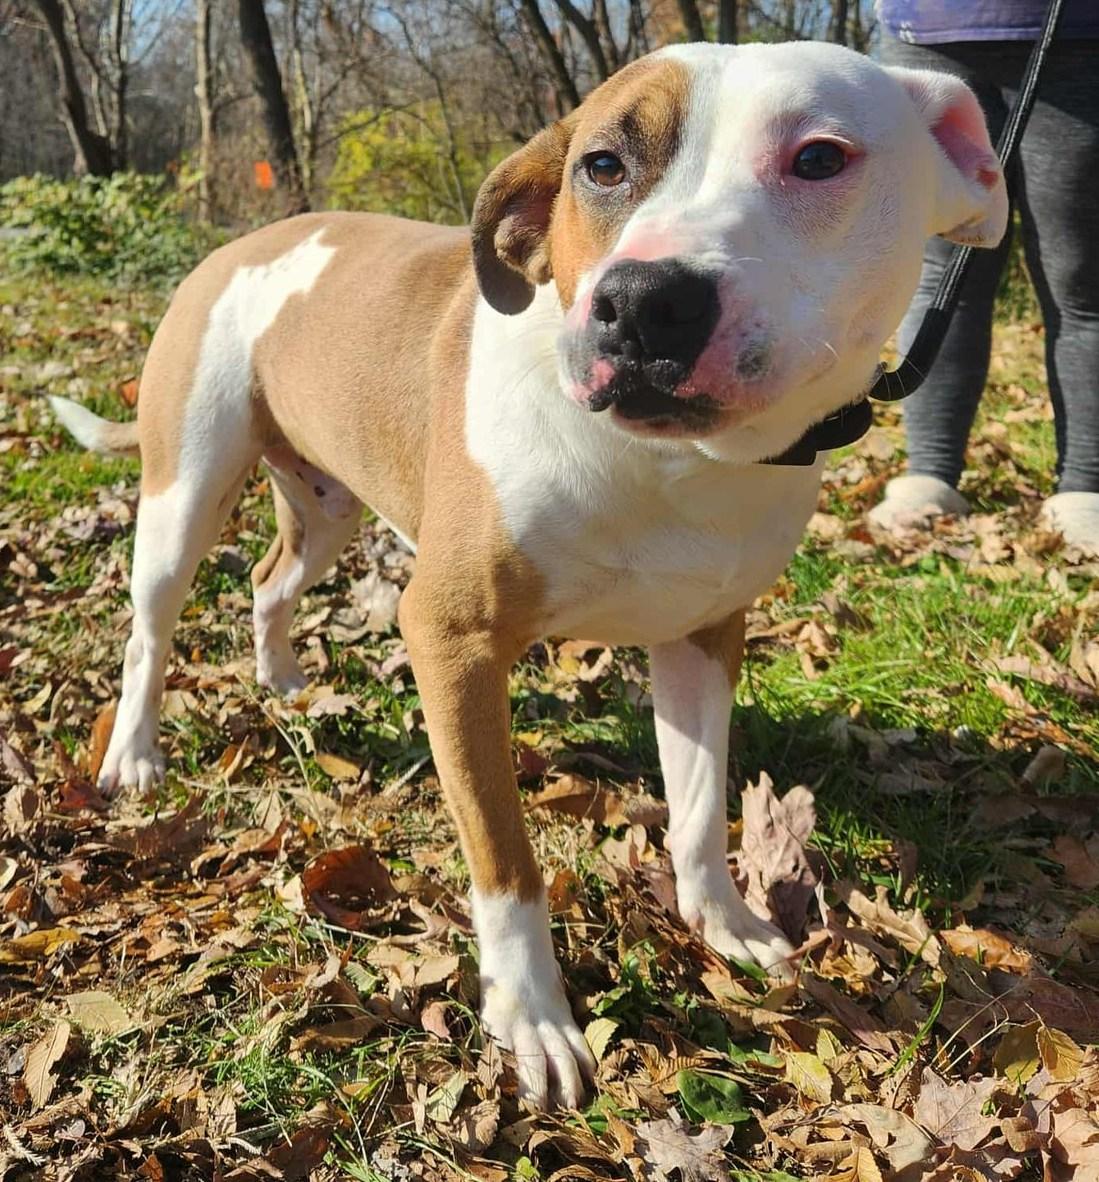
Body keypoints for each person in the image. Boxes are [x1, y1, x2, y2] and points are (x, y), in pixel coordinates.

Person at [869, 1, 1099, 555]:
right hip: (927, 31)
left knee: (1082, 281)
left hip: (1078, 32)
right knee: (945, 268)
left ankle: (1086, 489)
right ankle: (929, 475)